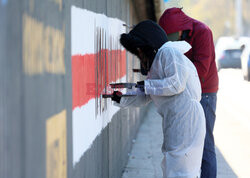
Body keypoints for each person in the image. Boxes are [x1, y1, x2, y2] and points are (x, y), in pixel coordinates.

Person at [113, 20, 206, 178]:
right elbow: (147, 95)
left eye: (140, 51)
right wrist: (121, 99)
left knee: (180, 171)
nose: (140, 56)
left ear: (150, 45)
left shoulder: (168, 53)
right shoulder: (158, 63)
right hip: (178, 120)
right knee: (173, 168)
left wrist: (145, 85)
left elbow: (176, 84)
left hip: (186, 120)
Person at [159, 8, 219, 178]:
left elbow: (201, 69)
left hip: (205, 93)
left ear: (181, 29)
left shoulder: (203, 32)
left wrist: (177, 83)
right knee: (188, 146)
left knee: (204, 144)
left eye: (172, 35)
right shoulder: (178, 36)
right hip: (188, 93)